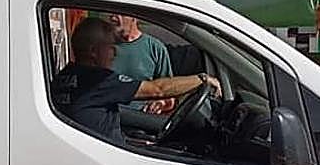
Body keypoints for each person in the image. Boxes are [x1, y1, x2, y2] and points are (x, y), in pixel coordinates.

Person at [51, 17, 220, 145]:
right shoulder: (97, 81)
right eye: (110, 47)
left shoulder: (66, 76)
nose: (115, 53)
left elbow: (164, 96)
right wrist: (202, 79)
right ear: (94, 52)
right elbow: (157, 89)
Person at [109, 13, 174, 114]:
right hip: (107, 118)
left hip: (142, 119)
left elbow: (169, 93)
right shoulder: (103, 48)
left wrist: (161, 103)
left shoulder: (155, 48)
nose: (113, 17)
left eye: (119, 14)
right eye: (111, 14)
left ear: (134, 17)